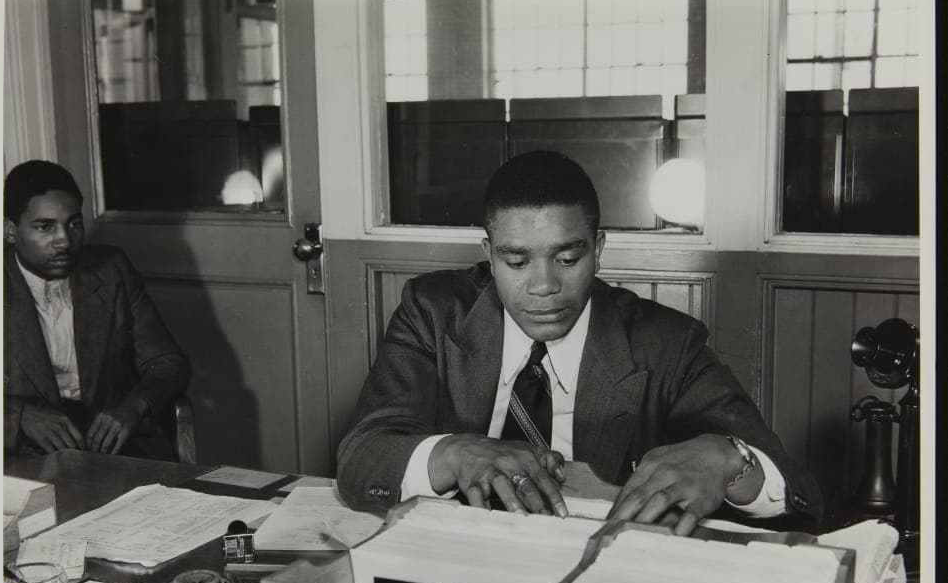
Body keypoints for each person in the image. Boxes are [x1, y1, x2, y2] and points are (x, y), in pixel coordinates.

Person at [337, 151, 822, 534]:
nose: (544, 286)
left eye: (567, 259)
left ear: (598, 249)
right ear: (488, 255)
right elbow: (364, 457)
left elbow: (800, 493)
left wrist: (730, 458)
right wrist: (457, 453)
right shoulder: (433, 312)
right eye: (516, 261)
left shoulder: (664, 343)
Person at [4, 160, 191, 460]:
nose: (64, 240)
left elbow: (169, 363)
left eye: (74, 224)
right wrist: (20, 416)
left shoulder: (110, 270)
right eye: (44, 227)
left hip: (115, 449)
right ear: (10, 231)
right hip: (26, 457)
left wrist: (134, 406)